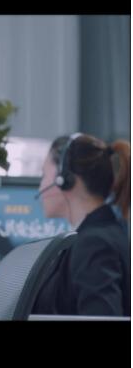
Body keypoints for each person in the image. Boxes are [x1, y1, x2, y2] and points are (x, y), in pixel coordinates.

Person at [33, 133, 131, 316]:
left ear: (64, 179)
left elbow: (101, 318)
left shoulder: (94, 244)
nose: (40, 187)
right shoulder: (104, 233)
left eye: (44, 175)